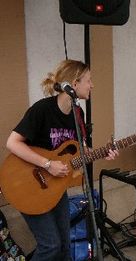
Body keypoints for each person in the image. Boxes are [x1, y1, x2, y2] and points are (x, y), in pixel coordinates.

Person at [6, 59, 118, 260]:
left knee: (65, 245)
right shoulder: (42, 110)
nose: (92, 85)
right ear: (74, 84)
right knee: (51, 246)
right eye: (88, 80)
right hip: (30, 185)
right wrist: (47, 164)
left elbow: (79, 151)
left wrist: (102, 152)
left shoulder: (77, 113)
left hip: (55, 189)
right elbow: (12, 143)